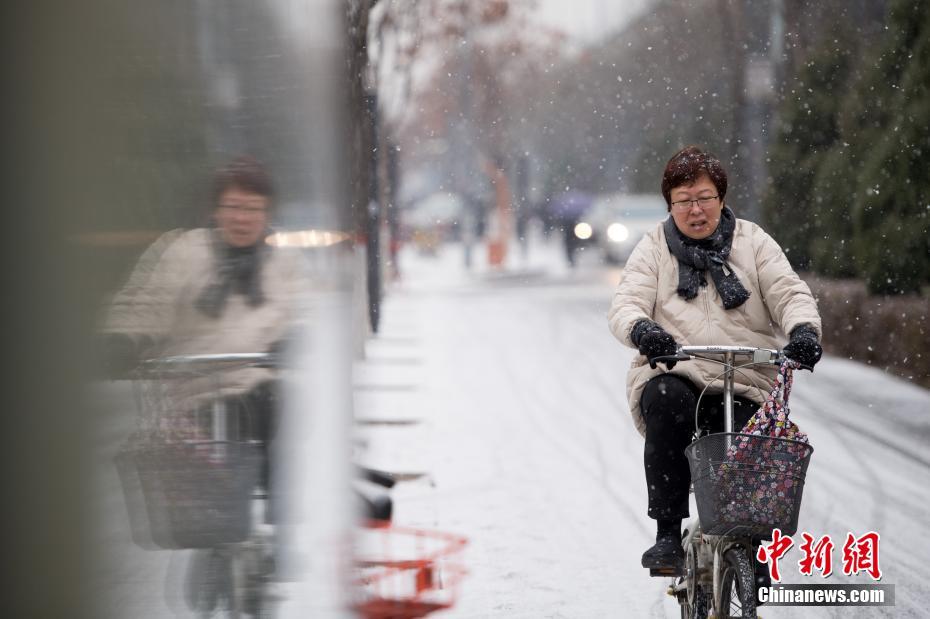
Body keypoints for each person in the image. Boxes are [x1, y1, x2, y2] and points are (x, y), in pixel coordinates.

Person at [607, 146, 823, 572]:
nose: (695, 209)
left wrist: (803, 331)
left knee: (750, 444)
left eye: (704, 197)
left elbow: (788, 292)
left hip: (744, 376)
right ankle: (667, 533)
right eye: (683, 200)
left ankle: (754, 552)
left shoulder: (754, 242)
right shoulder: (653, 248)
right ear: (670, 205)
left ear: (721, 198)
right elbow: (625, 303)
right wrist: (644, 331)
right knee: (667, 402)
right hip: (677, 369)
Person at [102, 155, 310, 518]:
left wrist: (294, 340)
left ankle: (279, 526)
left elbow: (301, 312)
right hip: (191, 395)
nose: (242, 218)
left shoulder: (282, 265)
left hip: (256, 393)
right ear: (215, 210)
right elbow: (147, 301)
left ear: (267, 214)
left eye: (253, 208)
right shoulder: (183, 251)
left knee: (281, 413)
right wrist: (122, 340)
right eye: (232, 206)